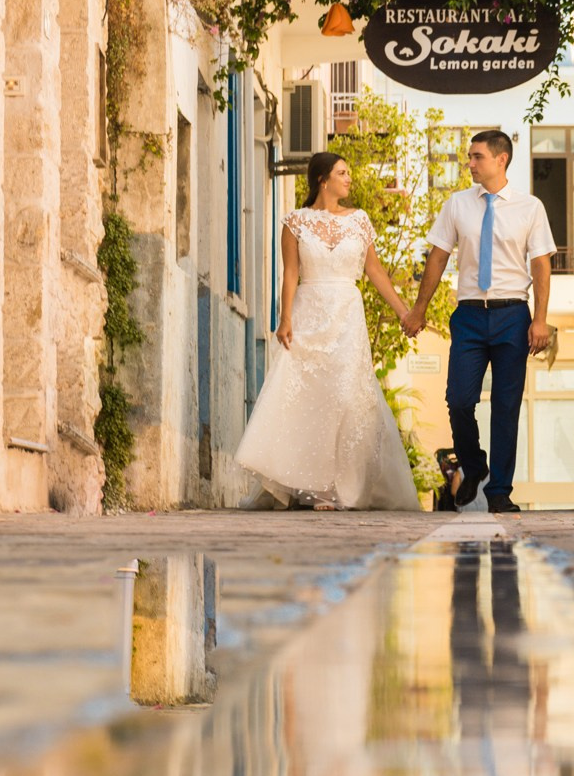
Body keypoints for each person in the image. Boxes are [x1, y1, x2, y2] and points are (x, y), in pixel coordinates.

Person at [235, 152, 419, 512]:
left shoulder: (360, 220)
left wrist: (403, 312)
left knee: (345, 397)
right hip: (309, 313)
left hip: (347, 315)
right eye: (342, 172)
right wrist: (285, 318)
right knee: (310, 398)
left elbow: (375, 272)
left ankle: (339, 487)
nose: (349, 179)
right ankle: (312, 487)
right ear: (323, 179)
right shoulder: (295, 222)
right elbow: (290, 274)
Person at [402, 131, 555, 514]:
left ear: (501, 160)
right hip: (469, 315)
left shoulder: (530, 207)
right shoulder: (457, 204)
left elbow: (540, 264)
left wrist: (540, 320)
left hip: (512, 315)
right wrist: (419, 309)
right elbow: (438, 257)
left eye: (477, 157)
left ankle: (499, 491)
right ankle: (474, 467)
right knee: (458, 400)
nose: (469, 163)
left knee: (506, 406)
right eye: (469, 156)